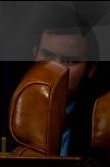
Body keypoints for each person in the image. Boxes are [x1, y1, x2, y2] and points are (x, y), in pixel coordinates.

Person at [33, 16, 100, 157]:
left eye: (69, 60)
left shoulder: (100, 124)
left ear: (90, 70)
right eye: (47, 56)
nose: (55, 69)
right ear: (34, 55)